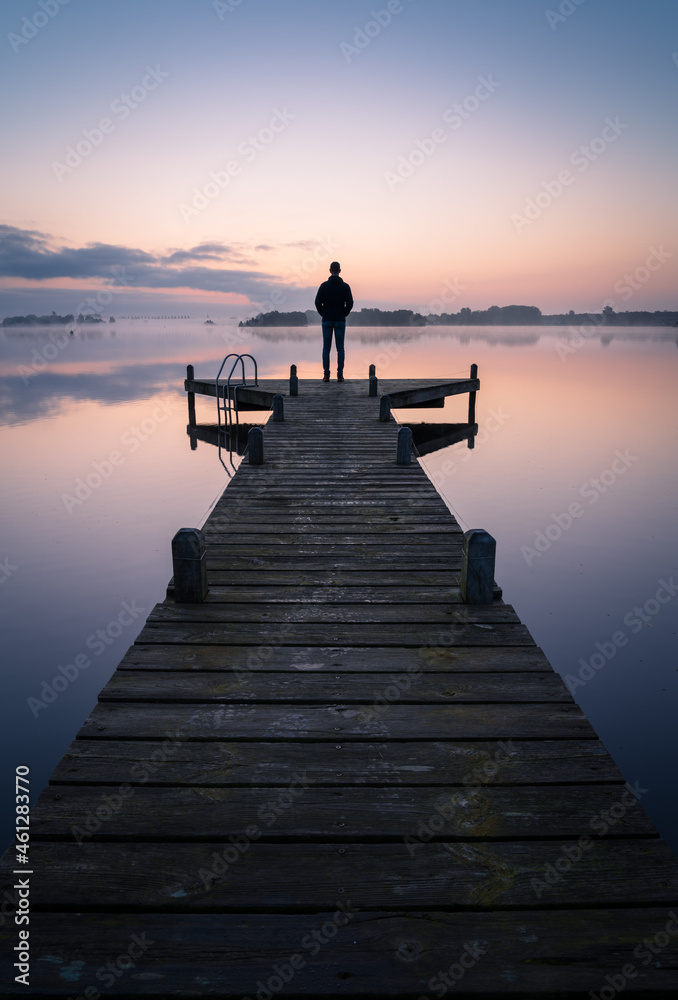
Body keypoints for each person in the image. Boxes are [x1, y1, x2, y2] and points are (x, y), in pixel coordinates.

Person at [314, 261, 353, 382]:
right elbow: (350, 303)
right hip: (340, 319)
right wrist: (344, 313)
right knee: (340, 348)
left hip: (327, 319)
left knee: (326, 348)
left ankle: (326, 375)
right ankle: (340, 375)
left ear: (330, 271)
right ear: (340, 271)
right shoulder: (345, 287)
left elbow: (317, 302)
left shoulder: (324, 286)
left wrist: (323, 313)